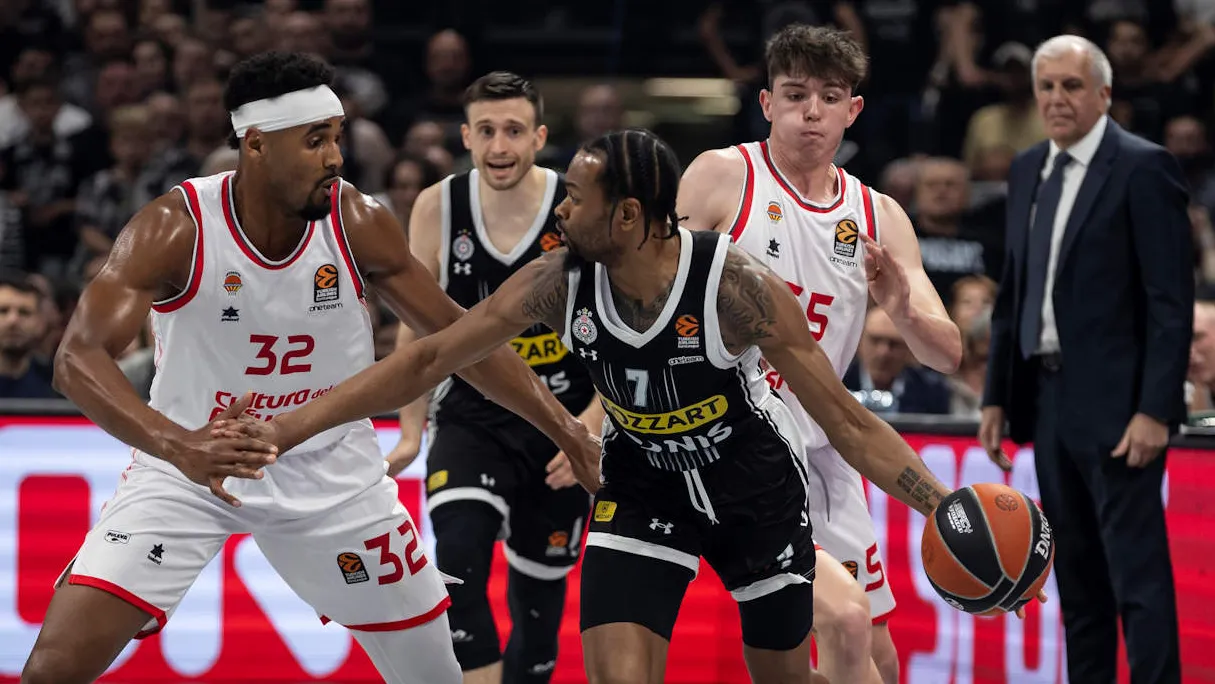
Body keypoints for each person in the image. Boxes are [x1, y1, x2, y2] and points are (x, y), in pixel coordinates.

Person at [214, 129, 961, 684]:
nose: (562, 210)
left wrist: (945, 510)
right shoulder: (557, 280)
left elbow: (848, 423)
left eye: (575, 197)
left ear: (628, 216)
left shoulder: (735, 288)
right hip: (642, 486)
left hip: (753, 490)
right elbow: (430, 358)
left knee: (787, 675)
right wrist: (285, 427)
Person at [19, 52, 599, 684]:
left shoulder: (357, 221)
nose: (336, 157)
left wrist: (569, 431)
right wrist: (178, 444)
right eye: (316, 140)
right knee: (52, 669)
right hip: (190, 467)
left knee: (434, 676)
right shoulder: (175, 227)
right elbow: (75, 358)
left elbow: (464, 343)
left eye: (338, 137)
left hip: (332, 475)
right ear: (257, 145)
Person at [677, 24, 961, 684]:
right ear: (766, 102)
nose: (811, 111)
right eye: (795, 94)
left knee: (879, 657)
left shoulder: (878, 214)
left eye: (828, 97)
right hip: (733, 448)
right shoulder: (722, 176)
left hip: (827, 449)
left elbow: (946, 354)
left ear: (852, 109)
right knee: (842, 625)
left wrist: (902, 306)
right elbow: (651, 303)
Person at [980, 35, 1191, 684]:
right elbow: (1012, 293)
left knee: (1137, 578)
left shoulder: (1142, 166)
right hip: (1046, 401)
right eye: (1045, 86)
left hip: (1119, 407)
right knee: (1077, 579)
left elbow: (1170, 302)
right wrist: (995, 394)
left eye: (1071, 86)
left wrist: (1155, 409)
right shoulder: (1026, 168)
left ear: (1104, 94)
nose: (1056, 98)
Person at [383, 71, 603, 684]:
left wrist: (589, 425)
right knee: (456, 563)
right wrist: (409, 431)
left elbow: (619, 325)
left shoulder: (577, 204)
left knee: (539, 610)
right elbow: (414, 328)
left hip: (559, 423)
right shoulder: (438, 205)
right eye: (486, 131)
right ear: (465, 137)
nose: (499, 146)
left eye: (513, 131)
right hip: (471, 417)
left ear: (539, 137)